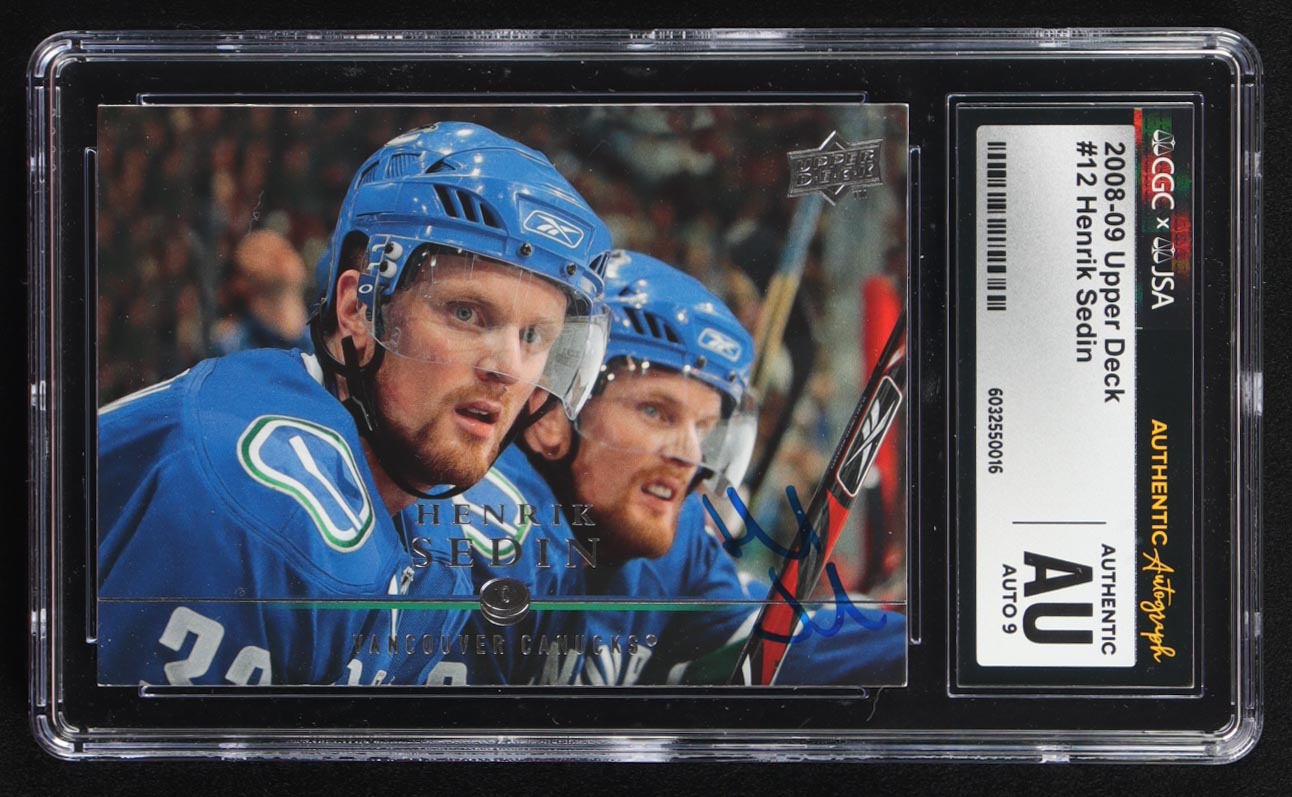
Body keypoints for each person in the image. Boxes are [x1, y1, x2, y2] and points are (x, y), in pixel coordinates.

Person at [96, 122, 613, 686]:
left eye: (534, 336)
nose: (508, 368)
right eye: (466, 313)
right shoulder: (259, 509)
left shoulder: (435, 523)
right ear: (357, 311)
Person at [407, 251, 904, 687]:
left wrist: (931, 639)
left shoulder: (673, 540)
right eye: (655, 412)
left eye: (704, 428)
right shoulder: (483, 542)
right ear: (553, 416)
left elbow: (781, 641)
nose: (689, 455)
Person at [211, 228, 314, 355]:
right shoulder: (232, 344)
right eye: (260, 251)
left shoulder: (325, 338)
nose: (280, 254)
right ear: (240, 284)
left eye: (287, 247)